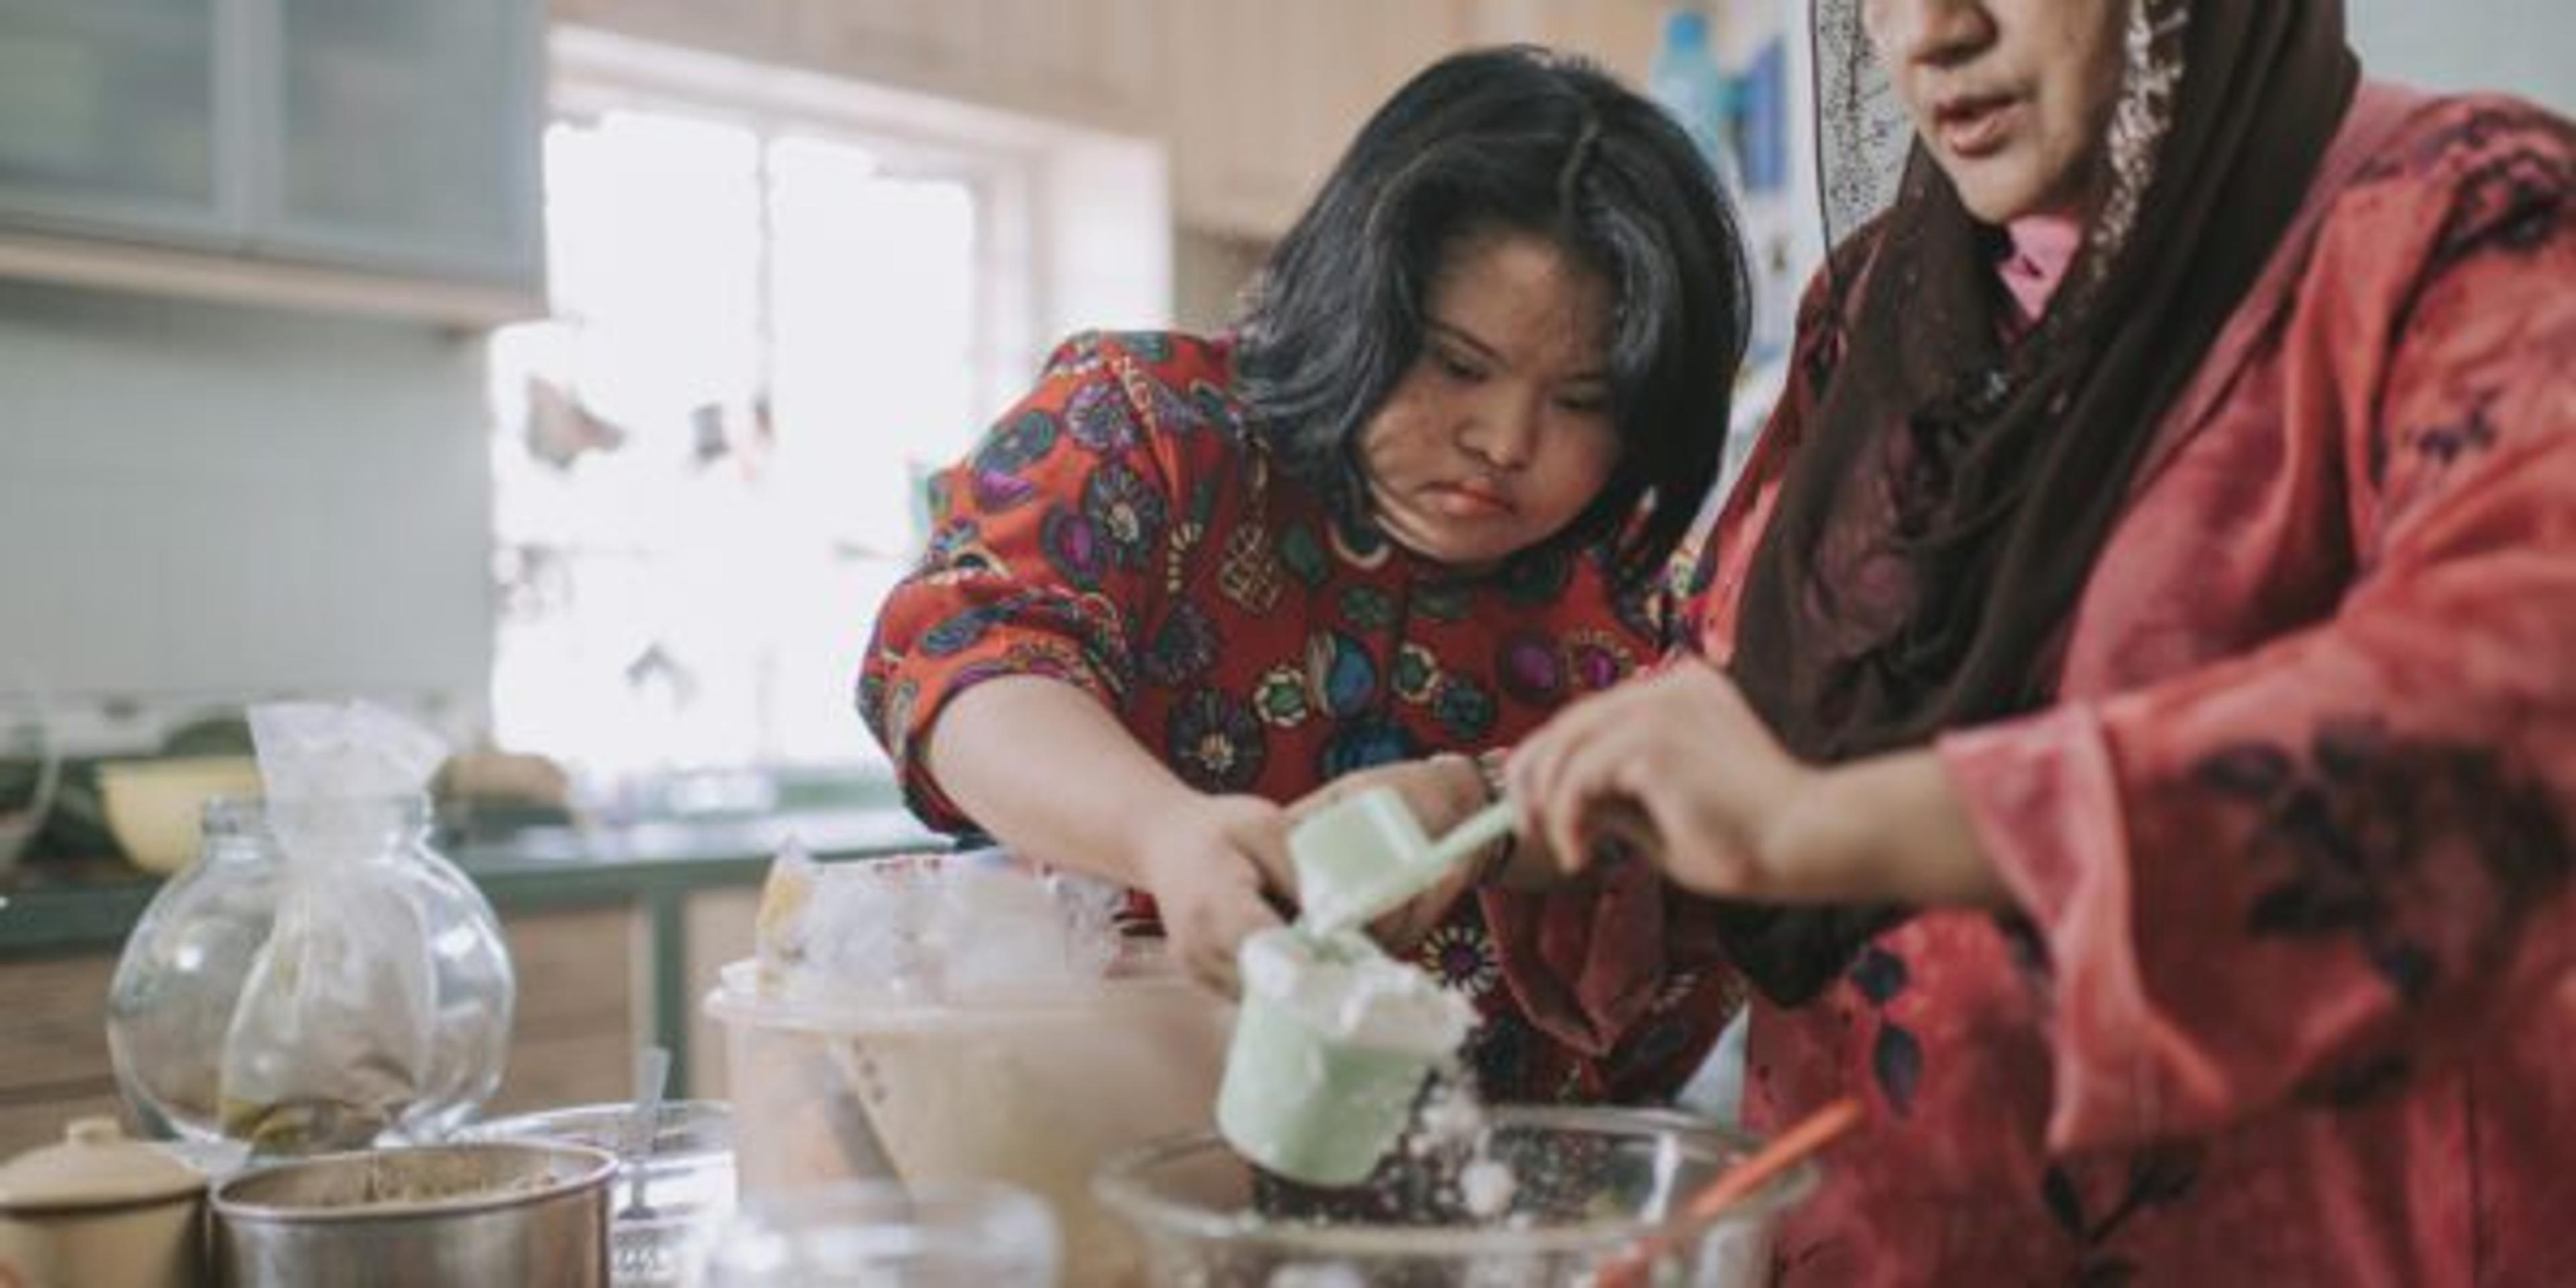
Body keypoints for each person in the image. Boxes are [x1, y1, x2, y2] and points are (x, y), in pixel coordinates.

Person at [1344, 0, 2574, 1280]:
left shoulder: (2470, 225)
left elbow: (2501, 725)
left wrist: (1828, 828)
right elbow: (1741, 715)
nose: (1926, 32)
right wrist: (1501, 809)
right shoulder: (1884, 306)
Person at [858, 46, 1754, 1104]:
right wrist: (1168, 832)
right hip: (1113, 1161)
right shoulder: (1148, 430)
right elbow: (972, 663)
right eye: (1458, 365)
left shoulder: (1643, 608)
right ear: (1357, 300)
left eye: (1585, 400)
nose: (1506, 442)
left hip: (1496, 1218)